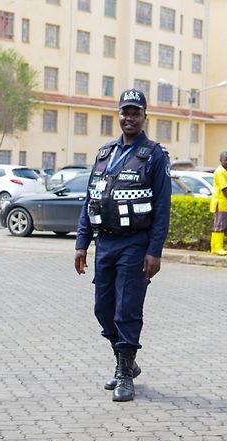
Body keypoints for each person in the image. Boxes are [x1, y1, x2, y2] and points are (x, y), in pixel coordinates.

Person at [74, 88, 171, 402]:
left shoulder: (155, 155)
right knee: (103, 309)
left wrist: (154, 251)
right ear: (119, 115)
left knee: (127, 310)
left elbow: (162, 208)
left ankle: (125, 372)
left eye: (135, 113)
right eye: (125, 112)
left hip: (135, 244)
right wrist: (81, 243)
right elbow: (91, 200)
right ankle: (124, 360)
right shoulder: (105, 153)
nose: (129, 118)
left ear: (145, 117)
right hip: (105, 243)